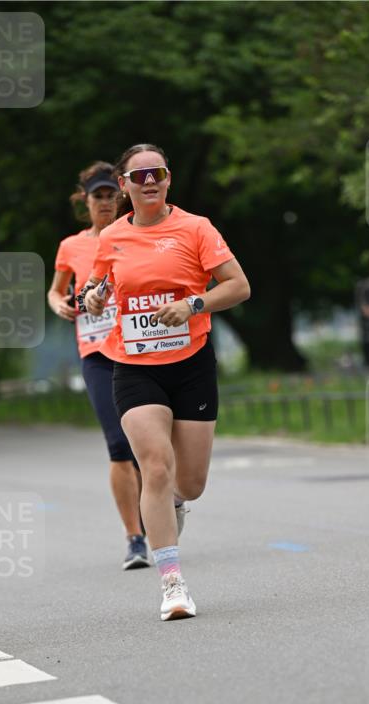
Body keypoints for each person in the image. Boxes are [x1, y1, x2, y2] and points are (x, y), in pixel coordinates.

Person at [81, 143, 250, 621]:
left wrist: (194, 305)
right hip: (132, 365)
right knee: (154, 465)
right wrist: (94, 299)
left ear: (168, 179)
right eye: (139, 176)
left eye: (157, 173)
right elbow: (99, 286)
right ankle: (172, 584)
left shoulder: (196, 228)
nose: (149, 181)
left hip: (191, 363)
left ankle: (175, 503)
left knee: (189, 483)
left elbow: (238, 285)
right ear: (125, 185)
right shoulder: (112, 236)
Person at [47, 162, 149, 571]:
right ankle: (135, 537)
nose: (105, 203)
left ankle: (161, 514)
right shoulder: (71, 246)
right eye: (98, 197)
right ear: (84, 202)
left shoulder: (135, 233)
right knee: (119, 447)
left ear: (121, 197)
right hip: (96, 353)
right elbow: (55, 292)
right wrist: (60, 305)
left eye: (111, 196)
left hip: (139, 349)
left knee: (149, 448)